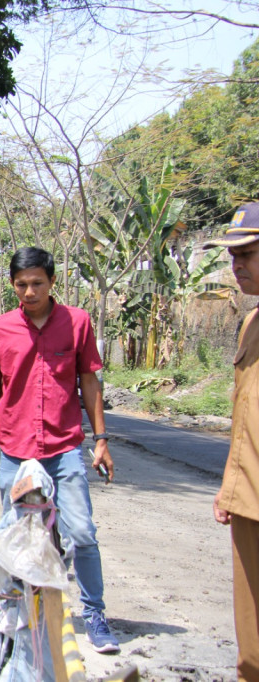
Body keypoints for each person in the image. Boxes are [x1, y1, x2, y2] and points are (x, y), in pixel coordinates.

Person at [0, 246, 121, 655]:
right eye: (21, 284)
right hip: (17, 451)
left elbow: (90, 382)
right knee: (14, 535)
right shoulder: (0, 329)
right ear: (12, 285)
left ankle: (94, 614)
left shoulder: (77, 323)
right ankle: (18, 612)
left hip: (64, 448)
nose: (29, 291)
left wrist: (102, 439)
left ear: (52, 281)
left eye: (37, 282)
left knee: (81, 534)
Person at [205, 203, 259, 680]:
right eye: (233, 257)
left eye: (248, 254)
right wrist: (229, 484)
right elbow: (242, 416)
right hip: (248, 499)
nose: (236, 266)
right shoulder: (250, 322)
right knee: (251, 639)